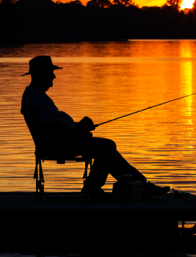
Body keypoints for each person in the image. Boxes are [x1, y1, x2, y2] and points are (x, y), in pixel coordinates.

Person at [20, 55, 170, 200]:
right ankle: (120, 186)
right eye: (51, 72)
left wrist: (79, 126)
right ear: (41, 74)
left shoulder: (36, 95)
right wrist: (77, 132)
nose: (54, 76)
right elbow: (53, 125)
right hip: (54, 146)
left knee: (107, 148)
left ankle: (136, 185)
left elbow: (52, 123)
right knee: (106, 146)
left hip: (60, 142)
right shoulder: (35, 96)